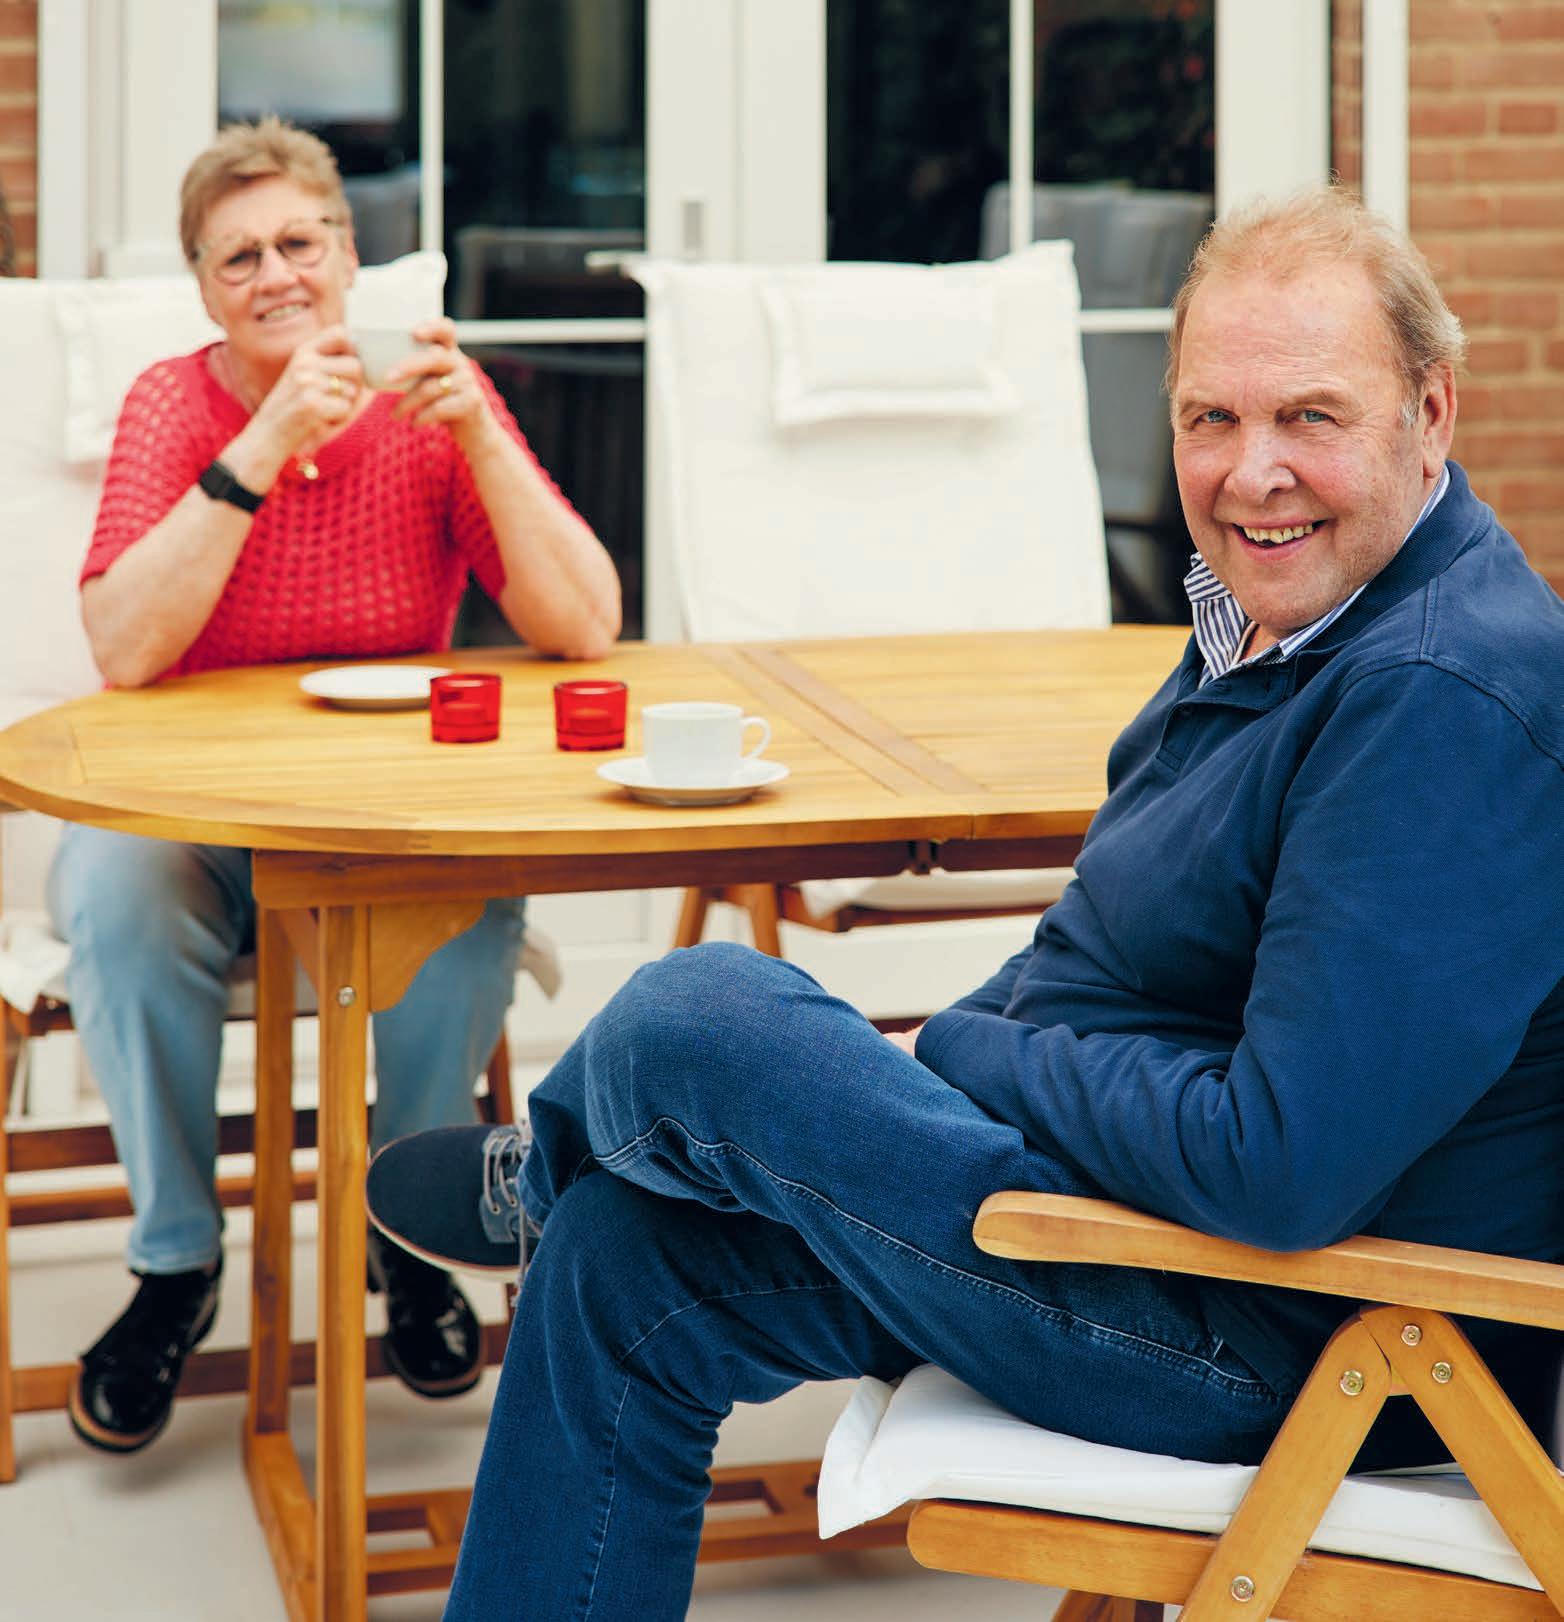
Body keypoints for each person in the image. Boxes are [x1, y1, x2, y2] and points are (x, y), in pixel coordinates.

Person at [367, 187, 1564, 1618]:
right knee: (623, 1257)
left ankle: (546, 1168)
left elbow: (1282, 1165)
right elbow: (1101, 950)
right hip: (1133, 1233)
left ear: (1431, 413)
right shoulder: (1284, 617)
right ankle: (570, 1191)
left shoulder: (1440, 699)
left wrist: (968, 1056)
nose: (1253, 473)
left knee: (706, 1018)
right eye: (1211, 419)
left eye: (1310, 415)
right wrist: (966, 1073)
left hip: (1307, 1338)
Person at [49, 117, 621, 1456]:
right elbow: (124, 646)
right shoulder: (170, 405)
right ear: (205, 290)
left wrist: (481, 438)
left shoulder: (424, 402)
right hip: (197, 823)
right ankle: (177, 1262)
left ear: (350, 257)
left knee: (476, 886)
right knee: (114, 884)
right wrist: (258, 447)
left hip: (381, 818)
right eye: (238, 257)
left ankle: (406, 1229)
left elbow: (585, 623)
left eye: (299, 243)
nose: (276, 275)